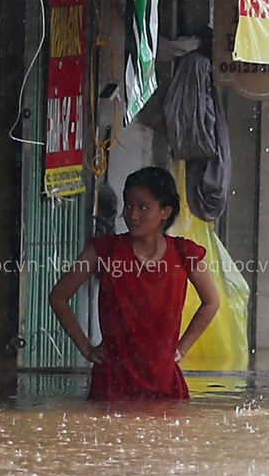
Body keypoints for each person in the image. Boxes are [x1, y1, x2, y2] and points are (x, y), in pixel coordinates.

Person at [49, 167, 223, 402]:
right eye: (128, 205)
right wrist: (87, 349)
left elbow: (212, 302)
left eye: (143, 207)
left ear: (165, 211)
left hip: (164, 383)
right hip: (112, 383)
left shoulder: (184, 253)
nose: (132, 215)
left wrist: (181, 348)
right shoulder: (105, 250)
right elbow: (58, 297)